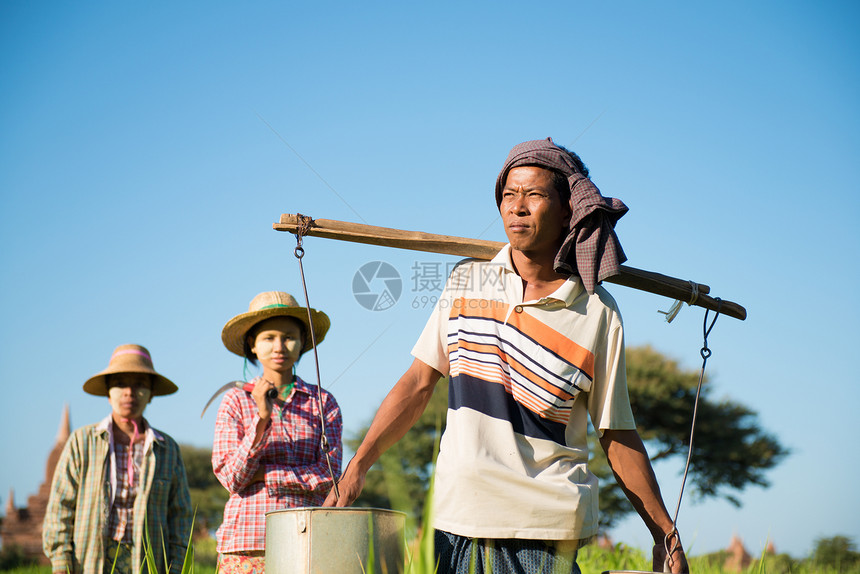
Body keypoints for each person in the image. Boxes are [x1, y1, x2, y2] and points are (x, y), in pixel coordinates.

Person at [325, 138, 689, 574]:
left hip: (543, 523)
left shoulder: (595, 310)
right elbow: (418, 383)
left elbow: (616, 431)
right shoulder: (467, 280)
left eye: (534, 194)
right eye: (508, 194)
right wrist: (357, 468)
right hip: (458, 517)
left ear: (568, 210)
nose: (517, 207)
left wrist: (664, 533)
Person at [212, 290, 343, 573]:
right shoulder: (235, 401)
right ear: (253, 345)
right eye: (268, 338)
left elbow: (329, 476)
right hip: (247, 542)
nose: (279, 346)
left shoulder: (323, 402)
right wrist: (262, 419)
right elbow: (232, 478)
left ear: (302, 342)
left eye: (288, 336)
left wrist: (265, 474)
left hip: (307, 539)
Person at [42, 344, 193, 574]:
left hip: (147, 562)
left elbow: (180, 516)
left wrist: (176, 566)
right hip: (90, 561)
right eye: (120, 383)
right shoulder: (83, 442)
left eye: (140, 384)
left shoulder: (167, 449)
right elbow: (61, 507)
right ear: (107, 392)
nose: (129, 392)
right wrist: (61, 563)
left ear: (151, 393)